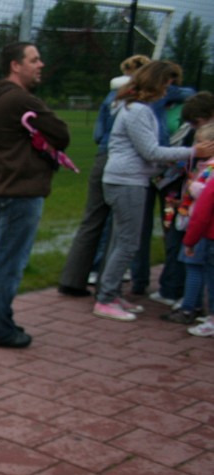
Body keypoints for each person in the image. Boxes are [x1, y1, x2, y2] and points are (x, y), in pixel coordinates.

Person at [93, 61, 214, 322]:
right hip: (127, 182)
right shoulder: (137, 110)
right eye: (166, 85)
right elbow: (150, 151)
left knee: (121, 241)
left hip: (127, 179)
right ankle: (106, 298)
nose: (168, 91)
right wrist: (194, 152)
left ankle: (111, 293)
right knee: (128, 243)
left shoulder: (135, 108)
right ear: (154, 84)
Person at [0, 42, 70, 347]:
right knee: (9, 261)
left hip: (9, 187)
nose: (40, 65)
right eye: (34, 59)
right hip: (20, 190)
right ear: (15, 66)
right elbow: (61, 134)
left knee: (6, 257)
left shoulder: (1, 97)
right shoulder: (19, 99)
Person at [58, 54, 150, 297]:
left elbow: (98, 134)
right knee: (118, 226)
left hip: (103, 157)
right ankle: (107, 287)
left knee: (91, 220)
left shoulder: (111, 98)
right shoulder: (139, 103)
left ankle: (73, 279)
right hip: (125, 164)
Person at [133, 64, 196, 303]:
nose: (168, 87)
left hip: (173, 180)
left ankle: (171, 286)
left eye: (172, 82)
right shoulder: (147, 106)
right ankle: (139, 281)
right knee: (140, 229)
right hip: (148, 173)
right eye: (165, 81)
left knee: (173, 229)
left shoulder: (185, 105)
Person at [170, 126, 214, 332]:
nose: (196, 146)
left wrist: (193, 187)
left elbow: (204, 203)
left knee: (195, 266)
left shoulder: (210, 169)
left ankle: (189, 308)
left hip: (204, 230)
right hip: (203, 228)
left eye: (200, 141)